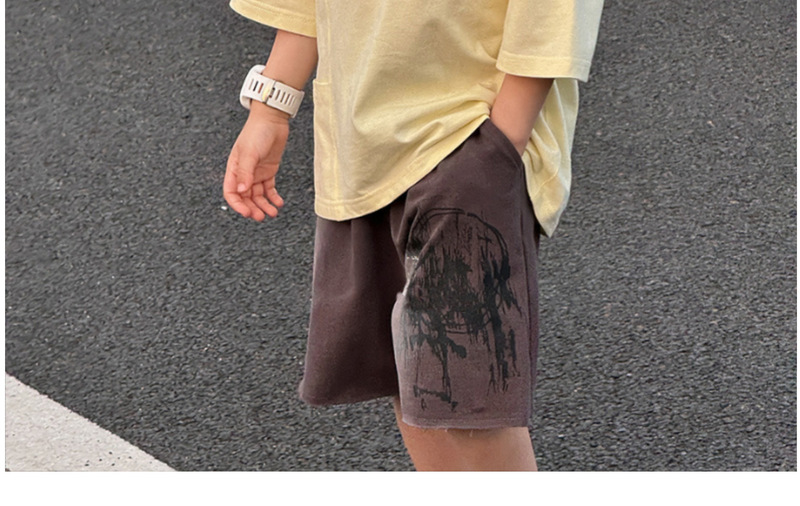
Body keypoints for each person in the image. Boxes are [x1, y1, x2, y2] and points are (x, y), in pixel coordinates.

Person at [224, 0, 603, 471]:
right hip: (360, 145)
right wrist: (269, 109)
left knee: (467, 404)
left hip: (463, 132)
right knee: (412, 383)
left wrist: (497, 146)